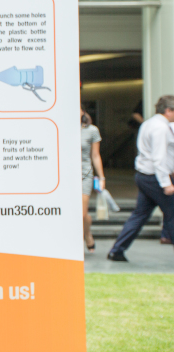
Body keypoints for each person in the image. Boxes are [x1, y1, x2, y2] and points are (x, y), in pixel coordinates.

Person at [108, 95, 174, 261]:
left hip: (143, 175)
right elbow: (159, 158)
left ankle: (117, 250)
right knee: (172, 214)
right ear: (168, 111)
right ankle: (117, 250)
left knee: (139, 215)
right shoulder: (161, 128)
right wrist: (166, 183)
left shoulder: (148, 124)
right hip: (155, 178)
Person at [80, 106, 104, 252]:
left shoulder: (91, 130)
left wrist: (101, 177)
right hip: (64, 177)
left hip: (84, 174)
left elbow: (95, 155)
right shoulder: (60, 127)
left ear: (83, 111)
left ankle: (87, 234)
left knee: (82, 213)